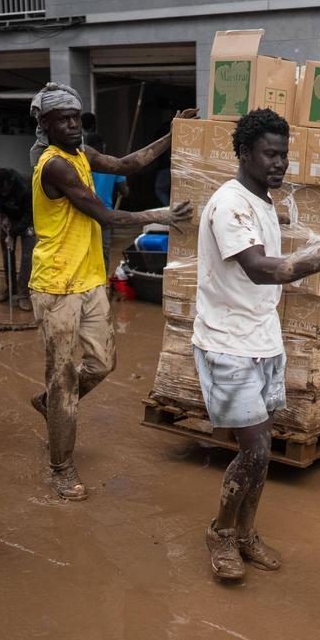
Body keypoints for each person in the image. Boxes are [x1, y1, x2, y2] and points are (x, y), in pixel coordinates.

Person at [193, 109, 320, 581]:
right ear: (245, 153)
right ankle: (221, 533)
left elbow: (271, 267)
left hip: (263, 340)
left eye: (284, 155)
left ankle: (245, 533)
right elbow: (257, 267)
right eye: (270, 154)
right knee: (252, 449)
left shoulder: (263, 201)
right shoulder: (230, 205)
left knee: (264, 447)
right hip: (226, 343)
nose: (279, 163)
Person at [27, 82, 195, 501]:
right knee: (64, 377)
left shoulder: (82, 154)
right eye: (62, 119)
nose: (72, 125)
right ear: (45, 125)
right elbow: (103, 213)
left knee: (103, 363)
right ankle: (61, 466)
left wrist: (172, 136)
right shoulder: (54, 165)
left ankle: (52, 406)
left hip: (87, 278)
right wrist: (157, 215)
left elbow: (124, 164)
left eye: (75, 117)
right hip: (56, 284)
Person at [0, 167, 37, 312]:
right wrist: (3, 215)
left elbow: (28, 216)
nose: (4, 194)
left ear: (10, 183)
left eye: (6, 191)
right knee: (7, 252)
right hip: (8, 218)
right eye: (0, 192)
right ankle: (11, 289)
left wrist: (13, 232)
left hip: (29, 220)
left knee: (28, 257)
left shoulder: (25, 187)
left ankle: (23, 294)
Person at [83, 132, 131, 274]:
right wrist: (125, 176)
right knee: (103, 251)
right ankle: (102, 283)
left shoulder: (82, 164)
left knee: (85, 250)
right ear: (101, 146)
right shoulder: (112, 165)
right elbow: (125, 191)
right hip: (105, 215)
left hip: (85, 213)